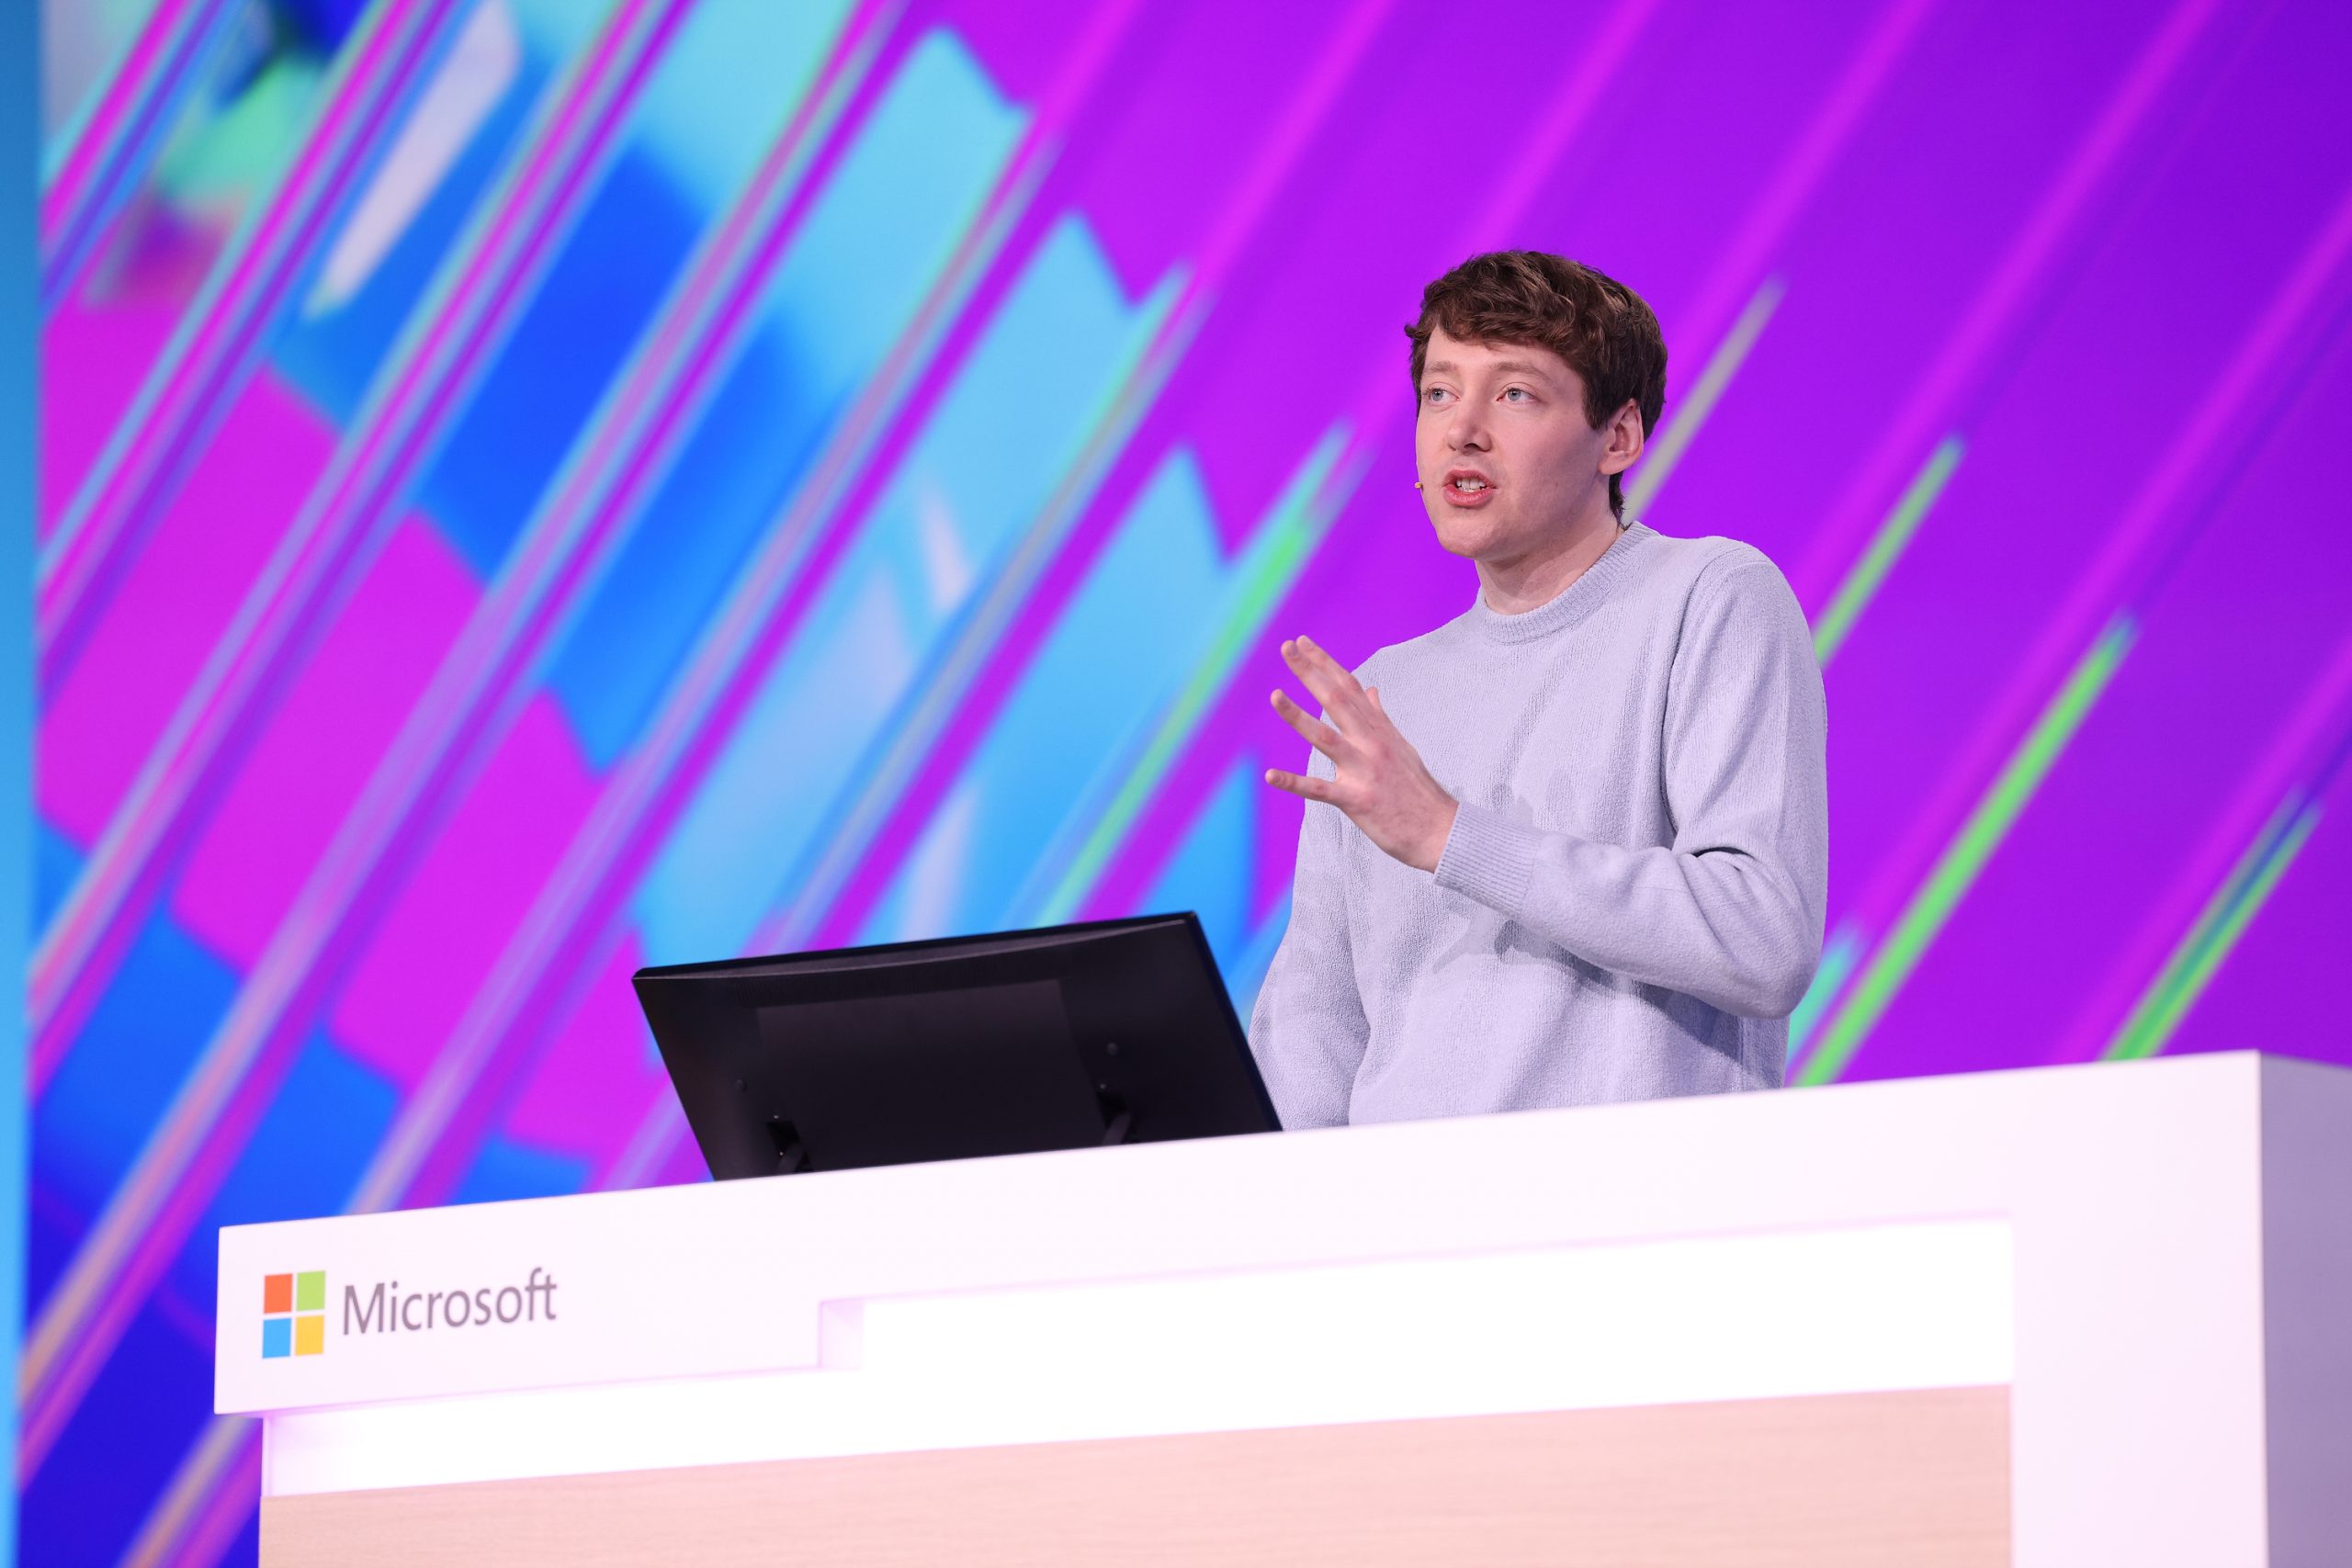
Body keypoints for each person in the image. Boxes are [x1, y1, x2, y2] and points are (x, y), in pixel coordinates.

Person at [1249, 250, 1827, 1127]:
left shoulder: (1710, 595)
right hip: (1402, 1244)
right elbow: (1315, 1023)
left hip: (1630, 1226)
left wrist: (1453, 836)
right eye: (1440, 393)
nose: (1462, 431)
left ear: (1619, 438)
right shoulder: (1382, 693)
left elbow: (1761, 937)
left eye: (1514, 394)